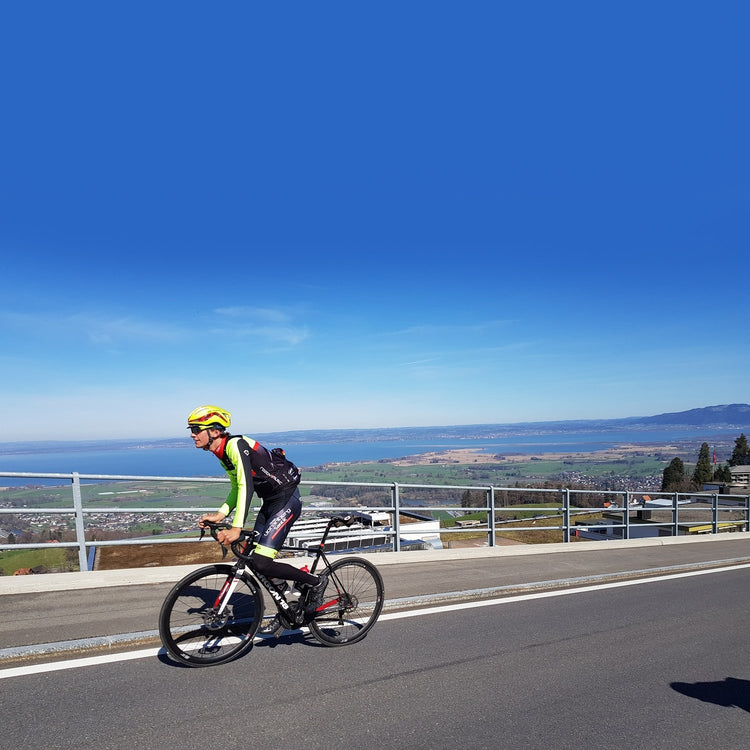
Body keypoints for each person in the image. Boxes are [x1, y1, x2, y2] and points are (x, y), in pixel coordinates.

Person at [188, 405, 327, 616]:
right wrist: (220, 514)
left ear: (214, 431)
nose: (192, 434)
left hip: (286, 500)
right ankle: (286, 605)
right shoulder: (221, 452)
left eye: (197, 429)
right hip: (270, 502)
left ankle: (315, 582)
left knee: (262, 561)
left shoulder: (234, 445)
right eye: (191, 429)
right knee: (252, 554)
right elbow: (237, 487)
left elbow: (247, 486)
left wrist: (236, 527)